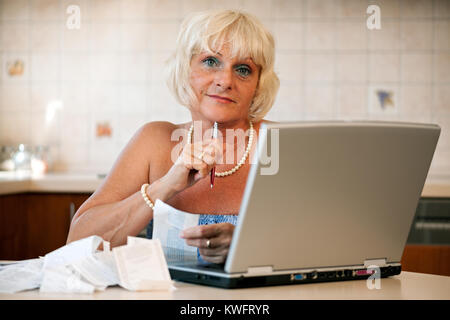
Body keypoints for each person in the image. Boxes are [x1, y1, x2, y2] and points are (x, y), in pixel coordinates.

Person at [66, 9, 280, 264]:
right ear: (185, 69)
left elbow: (329, 243)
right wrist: (164, 187)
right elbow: (77, 243)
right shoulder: (153, 141)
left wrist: (248, 244)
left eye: (243, 69)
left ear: (258, 86)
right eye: (211, 61)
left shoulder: (280, 143)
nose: (225, 80)